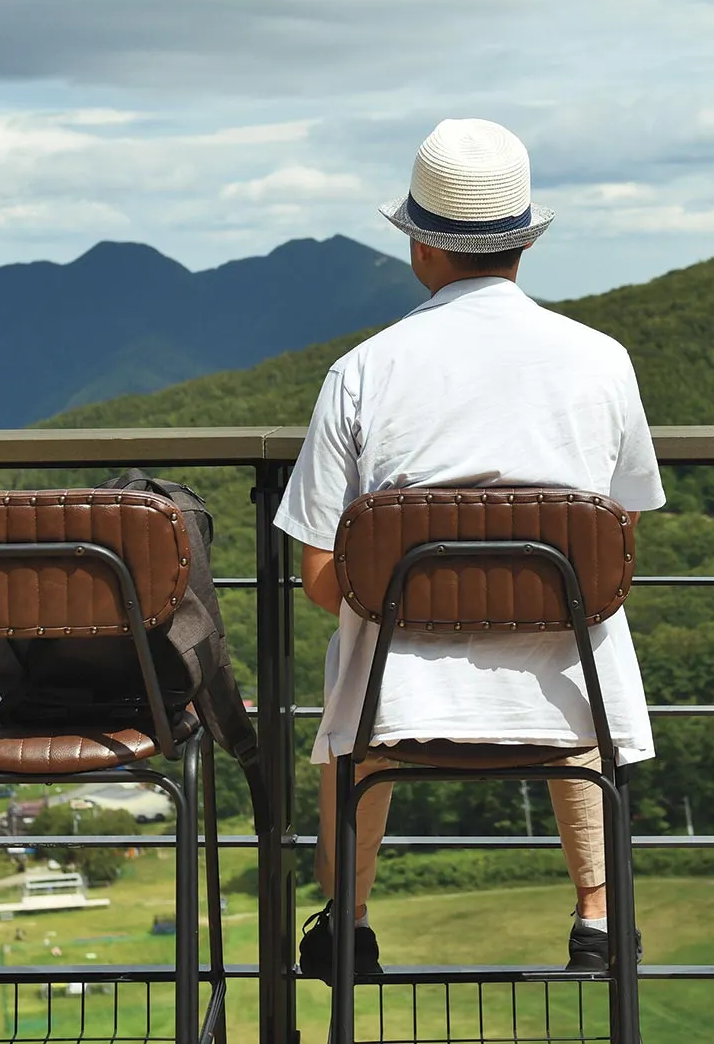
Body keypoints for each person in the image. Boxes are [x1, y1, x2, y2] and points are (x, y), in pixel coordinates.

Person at [273, 117, 664, 980]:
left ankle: (348, 920)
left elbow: (317, 580)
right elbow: (615, 553)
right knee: (585, 644)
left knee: (354, 682)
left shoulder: (364, 371)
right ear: (525, 245)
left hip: (397, 702)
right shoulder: (603, 363)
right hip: (567, 700)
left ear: (421, 249)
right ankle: (597, 917)